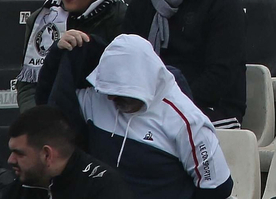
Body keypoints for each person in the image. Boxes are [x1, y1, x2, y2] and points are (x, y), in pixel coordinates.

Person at [54, 35, 234, 199]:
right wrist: (57, 54)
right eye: (107, 90)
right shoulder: (95, 98)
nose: (110, 98)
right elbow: (51, 106)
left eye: (119, 91)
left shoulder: (187, 121)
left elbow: (217, 187)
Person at [118, 0, 244, 126]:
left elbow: (221, 75)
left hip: (213, 109)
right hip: (152, 108)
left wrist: (168, 103)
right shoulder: (142, 5)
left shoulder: (222, 0)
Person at [5, 106, 130, 199]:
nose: (10, 160)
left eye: (19, 153)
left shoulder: (104, 187)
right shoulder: (21, 187)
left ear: (47, 154)